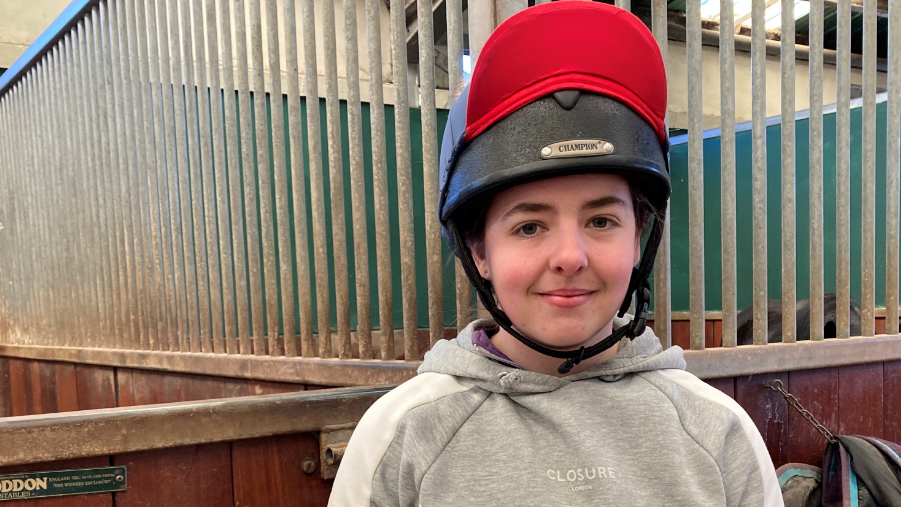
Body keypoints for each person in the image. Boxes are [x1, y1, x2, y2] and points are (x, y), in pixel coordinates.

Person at [328, 2, 782, 505]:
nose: (570, 256)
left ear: (638, 239)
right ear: (479, 252)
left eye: (601, 221)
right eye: (529, 226)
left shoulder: (717, 431)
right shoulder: (401, 437)